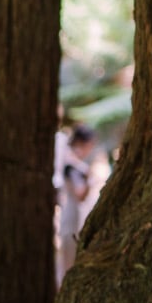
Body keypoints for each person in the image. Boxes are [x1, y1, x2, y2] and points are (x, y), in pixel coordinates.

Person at [55, 123, 98, 288]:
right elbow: (80, 194)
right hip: (71, 219)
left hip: (76, 219)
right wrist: (90, 179)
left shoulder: (75, 165)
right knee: (68, 266)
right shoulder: (72, 167)